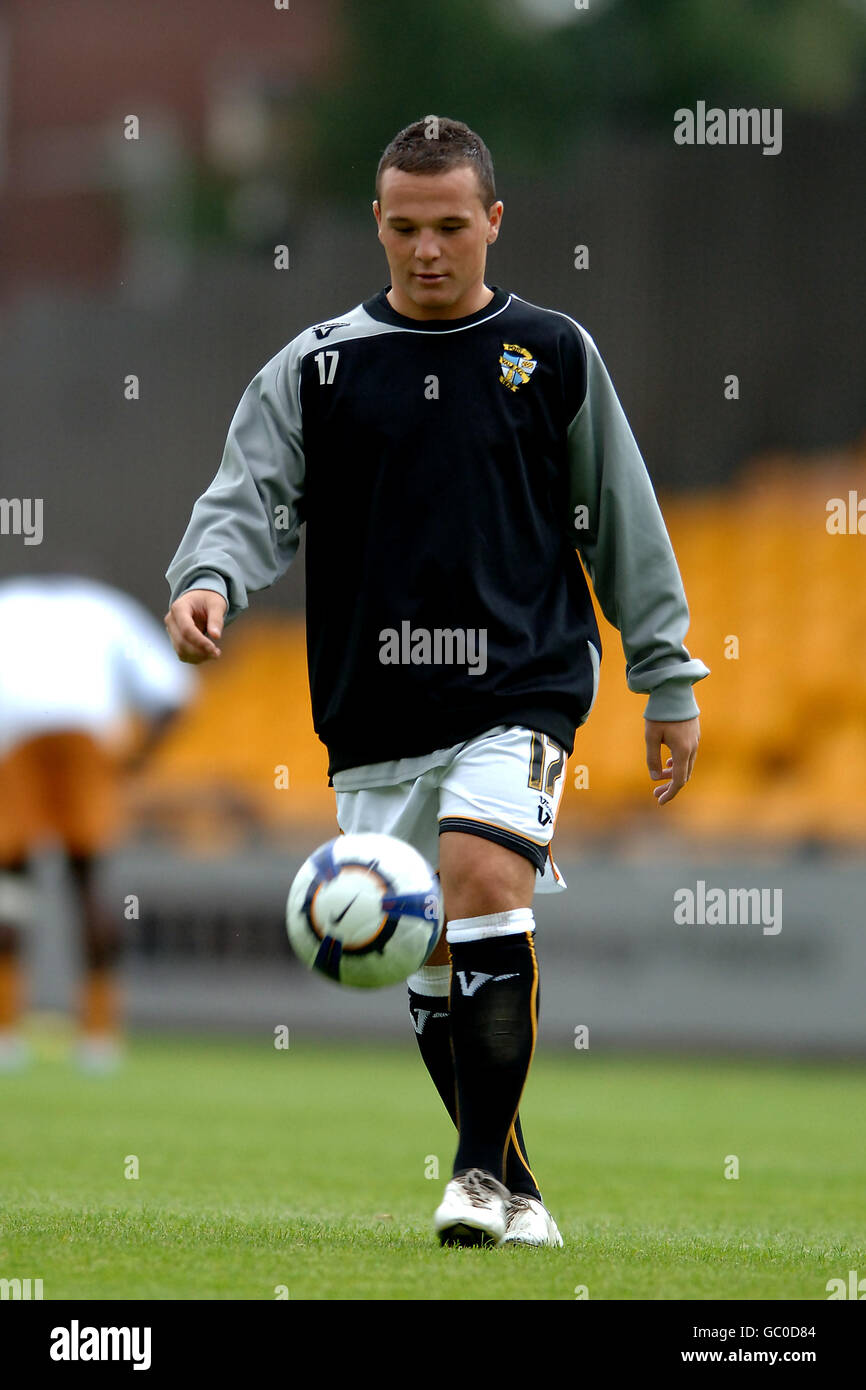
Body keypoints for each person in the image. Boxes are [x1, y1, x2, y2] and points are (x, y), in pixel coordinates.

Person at [165, 116, 709, 1247]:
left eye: (450, 225)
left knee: (479, 873)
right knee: (419, 957)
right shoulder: (317, 368)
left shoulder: (550, 353)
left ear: (492, 222)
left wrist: (665, 673)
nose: (426, 249)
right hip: (373, 708)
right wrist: (208, 576)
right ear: (376, 223)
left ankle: (466, 1175)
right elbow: (247, 497)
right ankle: (515, 1187)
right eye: (405, 227)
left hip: (524, 679)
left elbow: (622, 519)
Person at [0, 573, 195, 1072]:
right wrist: (134, 760)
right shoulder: (106, 607)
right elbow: (175, 693)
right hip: (84, 736)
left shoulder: (10, 601)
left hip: (13, 740)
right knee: (87, 884)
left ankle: (5, 1033)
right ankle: (100, 1036)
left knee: (9, 890)